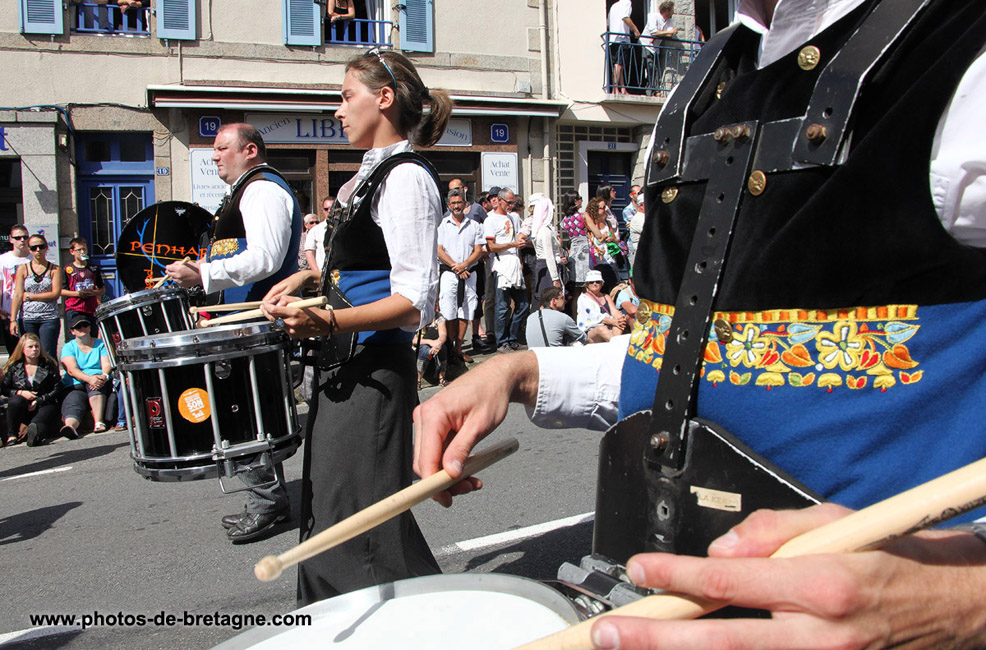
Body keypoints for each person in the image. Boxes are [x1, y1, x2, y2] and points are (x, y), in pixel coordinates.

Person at [412, 1, 986, 647]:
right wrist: (520, 371)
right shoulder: (706, 77)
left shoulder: (963, 46)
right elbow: (700, 352)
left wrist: (964, 598)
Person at [260, 47, 453, 604]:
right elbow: (363, 267)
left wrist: (327, 320)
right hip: (344, 365)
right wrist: (306, 280)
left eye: (347, 97)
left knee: (356, 527)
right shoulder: (369, 176)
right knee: (336, 515)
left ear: (384, 98)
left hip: (374, 370)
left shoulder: (407, 177)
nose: (338, 110)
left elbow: (414, 301)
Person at [167, 122, 302, 545]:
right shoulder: (246, 191)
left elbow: (265, 258)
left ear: (250, 150)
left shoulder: (262, 190)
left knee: (245, 413)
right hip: (241, 322)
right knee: (244, 412)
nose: (214, 156)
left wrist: (203, 273)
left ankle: (267, 503)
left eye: (222, 147)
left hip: (256, 322)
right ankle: (267, 498)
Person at [437, 188, 485, 364]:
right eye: (453, 203)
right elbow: (439, 250)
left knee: (466, 310)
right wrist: (456, 267)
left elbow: (478, 250)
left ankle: (458, 350)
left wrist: (464, 265)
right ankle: (449, 349)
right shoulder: (442, 225)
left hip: (469, 273)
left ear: (465, 204)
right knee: (448, 310)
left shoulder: (474, 225)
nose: (457, 206)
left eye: (459, 202)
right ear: (449, 205)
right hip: (449, 273)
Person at [485, 188, 529, 352]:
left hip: (514, 264)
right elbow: (491, 246)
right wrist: (512, 245)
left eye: (513, 202)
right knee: (502, 306)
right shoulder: (490, 220)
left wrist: (519, 255)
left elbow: (516, 239)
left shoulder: (512, 217)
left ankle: (512, 337)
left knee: (523, 304)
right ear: (499, 200)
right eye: (509, 202)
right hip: (501, 265)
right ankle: (502, 342)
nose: (511, 205)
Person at [1, 333, 64, 447]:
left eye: (37, 346)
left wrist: (39, 400)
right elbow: (5, 389)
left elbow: (57, 388)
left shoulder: (48, 364)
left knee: (39, 421)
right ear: (22, 349)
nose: (34, 349)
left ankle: (35, 435)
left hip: (44, 402)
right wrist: (20, 392)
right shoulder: (14, 366)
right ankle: (12, 435)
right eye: (30, 347)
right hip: (23, 404)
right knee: (15, 400)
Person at [60, 314, 112, 437]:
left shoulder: (101, 344)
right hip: (76, 382)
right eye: (78, 327)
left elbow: (107, 364)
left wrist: (104, 376)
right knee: (74, 399)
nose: (82, 328)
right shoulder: (68, 347)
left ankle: (99, 422)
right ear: (72, 331)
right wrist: (89, 379)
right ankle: (70, 427)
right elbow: (72, 370)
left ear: (90, 327)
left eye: (85, 325)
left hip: (98, 380)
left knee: (95, 386)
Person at [10, 234, 62, 359]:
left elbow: (55, 294)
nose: (38, 250)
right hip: (27, 318)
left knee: (48, 354)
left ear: (46, 247)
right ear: (29, 250)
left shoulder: (55, 269)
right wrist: (13, 320)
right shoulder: (23, 269)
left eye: (41, 246)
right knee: (29, 354)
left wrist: (30, 296)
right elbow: (18, 294)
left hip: (49, 317)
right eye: (34, 248)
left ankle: (50, 372)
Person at [61, 237, 105, 329]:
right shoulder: (67, 269)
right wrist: (78, 294)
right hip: (74, 309)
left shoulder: (93, 268)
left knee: (92, 335)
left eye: (84, 249)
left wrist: (93, 292)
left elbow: (102, 290)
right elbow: (62, 291)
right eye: (79, 250)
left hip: (91, 309)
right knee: (78, 334)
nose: (82, 252)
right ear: (72, 252)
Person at [0, 225, 31, 355]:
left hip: (31, 313)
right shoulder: (3, 259)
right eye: (18, 238)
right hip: (8, 312)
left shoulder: (34, 259)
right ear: (11, 240)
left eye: (25, 237)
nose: (22, 240)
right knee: (13, 352)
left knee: (31, 351)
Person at [530, 196, 567, 306]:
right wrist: (555, 278)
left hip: (547, 266)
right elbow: (549, 255)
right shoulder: (544, 231)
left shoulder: (544, 229)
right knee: (549, 301)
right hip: (547, 269)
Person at [576, 270, 627, 342]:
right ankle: (617, 344)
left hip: (609, 326)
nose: (594, 284)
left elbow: (614, 312)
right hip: (591, 330)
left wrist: (619, 319)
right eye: (591, 282)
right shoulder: (583, 298)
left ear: (602, 284)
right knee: (601, 329)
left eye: (597, 282)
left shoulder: (606, 296)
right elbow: (595, 316)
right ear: (587, 284)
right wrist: (613, 321)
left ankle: (614, 343)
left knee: (619, 324)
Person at [607, 0, 640, 94]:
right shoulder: (627, 3)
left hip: (613, 39)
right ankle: (615, 88)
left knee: (619, 64)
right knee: (619, 64)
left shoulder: (613, 6)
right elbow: (625, 17)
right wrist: (635, 30)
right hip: (622, 38)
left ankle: (622, 88)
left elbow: (608, 24)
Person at [416, 315, 448, 389]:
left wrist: (438, 344)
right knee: (426, 352)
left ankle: (442, 377)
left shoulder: (439, 318)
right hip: (420, 345)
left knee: (443, 348)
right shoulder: (417, 318)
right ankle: (418, 379)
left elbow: (443, 335)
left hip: (435, 346)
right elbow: (414, 340)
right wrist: (431, 342)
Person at [305, 197, 334, 273]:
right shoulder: (315, 230)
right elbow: (309, 252)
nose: (329, 211)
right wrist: (317, 273)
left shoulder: (344, 228)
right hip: (323, 273)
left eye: (332, 208)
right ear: (323, 210)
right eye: (326, 209)